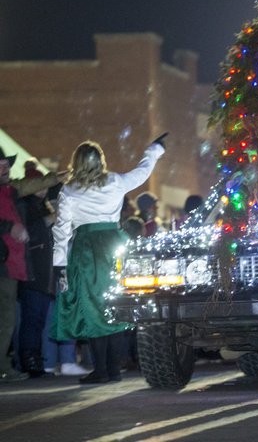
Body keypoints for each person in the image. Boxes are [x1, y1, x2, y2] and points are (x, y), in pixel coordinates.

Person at [51, 135, 166, 384]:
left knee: (93, 309)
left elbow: (61, 229)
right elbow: (141, 172)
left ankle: (101, 369)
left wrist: (59, 263)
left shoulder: (69, 190)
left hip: (86, 250)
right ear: (101, 161)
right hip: (115, 244)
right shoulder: (114, 181)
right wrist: (154, 150)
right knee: (115, 306)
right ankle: (113, 368)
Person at [1, 148, 62, 383]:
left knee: (12, 319)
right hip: (15, 267)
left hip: (15, 267)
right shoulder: (21, 200)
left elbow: (28, 186)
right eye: (1, 165)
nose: (6, 169)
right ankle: (13, 364)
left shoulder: (12, 192)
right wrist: (9, 228)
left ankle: (9, 365)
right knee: (15, 319)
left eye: (7, 165)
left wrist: (55, 178)